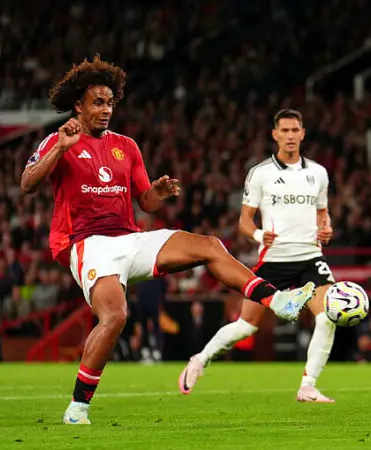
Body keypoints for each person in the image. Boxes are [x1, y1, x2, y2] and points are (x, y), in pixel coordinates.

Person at [20, 56, 315, 425]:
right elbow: (27, 184)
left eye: (111, 102)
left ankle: (278, 300)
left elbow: (145, 202)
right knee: (114, 317)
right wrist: (60, 148)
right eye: (98, 102)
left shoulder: (126, 146)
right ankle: (78, 407)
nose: (107, 109)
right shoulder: (58, 140)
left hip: (130, 239)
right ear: (78, 105)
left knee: (209, 245)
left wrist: (158, 192)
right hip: (88, 244)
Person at [179, 109, 338, 402]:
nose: (290, 136)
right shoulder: (260, 173)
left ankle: (308, 386)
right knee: (246, 326)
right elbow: (243, 221)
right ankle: (200, 359)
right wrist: (256, 235)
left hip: (310, 257)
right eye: (284, 131)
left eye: (295, 131)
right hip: (274, 258)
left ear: (302, 133)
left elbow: (322, 214)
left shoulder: (318, 173)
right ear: (275, 134)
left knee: (327, 317)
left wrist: (325, 228)